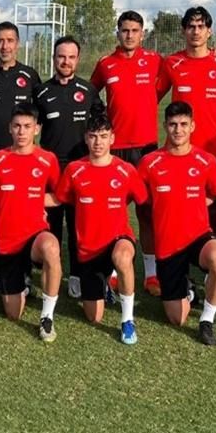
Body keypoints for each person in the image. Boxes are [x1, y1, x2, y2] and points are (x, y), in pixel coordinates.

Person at [0, 104, 63, 342]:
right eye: (17, 126)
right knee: (13, 313)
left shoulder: (47, 159)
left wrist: (34, 200)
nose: (22, 131)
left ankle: (47, 317)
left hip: (36, 235)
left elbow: (59, 196)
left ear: (37, 129)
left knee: (51, 247)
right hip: (8, 241)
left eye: (27, 126)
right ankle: (24, 284)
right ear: (9, 128)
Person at [137, 101, 216, 346]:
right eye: (173, 125)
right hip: (168, 246)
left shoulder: (206, 160)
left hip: (198, 237)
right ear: (165, 126)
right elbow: (137, 196)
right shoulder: (149, 162)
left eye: (183, 124)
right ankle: (187, 289)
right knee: (177, 318)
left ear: (192, 126)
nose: (178, 130)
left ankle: (207, 320)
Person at [54, 111, 145, 344]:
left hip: (118, 239)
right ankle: (104, 284)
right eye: (93, 136)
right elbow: (59, 198)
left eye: (103, 136)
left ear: (112, 138)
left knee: (122, 257)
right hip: (89, 250)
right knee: (93, 316)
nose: (98, 142)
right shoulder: (74, 169)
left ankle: (127, 320)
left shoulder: (126, 170)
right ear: (86, 138)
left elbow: (142, 199)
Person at [91, 11, 165, 295]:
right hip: (116, 149)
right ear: (118, 33)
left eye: (135, 30)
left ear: (142, 34)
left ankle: (152, 274)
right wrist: (101, 118)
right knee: (113, 211)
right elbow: (90, 94)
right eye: (125, 30)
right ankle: (113, 271)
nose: (130, 35)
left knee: (146, 212)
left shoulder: (155, 61)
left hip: (146, 150)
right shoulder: (106, 64)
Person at [0, 22, 42, 294]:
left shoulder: (30, 76)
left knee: (23, 219)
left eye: (10, 40)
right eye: (0, 41)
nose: (5, 46)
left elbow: (38, 116)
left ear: (17, 43)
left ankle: (24, 274)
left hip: (24, 160)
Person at [157, 6, 216, 241]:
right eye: (191, 26)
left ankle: (214, 260)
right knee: (177, 210)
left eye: (201, 26)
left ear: (209, 31)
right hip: (178, 151)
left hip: (212, 150)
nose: (196, 31)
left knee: (211, 212)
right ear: (183, 31)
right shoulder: (172, 62)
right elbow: (152, 97)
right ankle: (177, 260)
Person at [35, 35, 94, 299]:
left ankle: (77, 275)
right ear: (54, 58)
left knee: (79, 225)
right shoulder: (41, 92)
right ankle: (52, 272)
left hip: (81, 169)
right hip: (51, 170)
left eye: (71, 57)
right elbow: (31, 127)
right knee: (51, 225)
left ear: (77, 60)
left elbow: (101, 127)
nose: (66, 61)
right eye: (61, 56)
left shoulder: (88, 91)